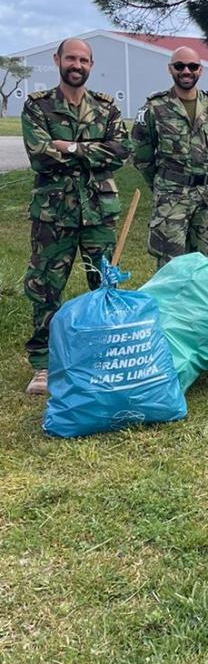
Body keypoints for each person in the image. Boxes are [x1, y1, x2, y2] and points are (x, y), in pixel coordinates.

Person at [22, 37, 132, 395]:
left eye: (84, 60)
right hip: (54, 214)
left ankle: (107, 353)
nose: (77, 65)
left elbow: (120, 151)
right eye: (71, 58)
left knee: (105, 286)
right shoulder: (38, 106)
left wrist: (69, 146)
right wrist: (94, 152)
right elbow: (40, 155)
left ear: (91, 65)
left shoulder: (105, 107)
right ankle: (43, 364)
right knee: (45, 287)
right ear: (57, 60)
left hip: (99, 213)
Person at [131, 45, 208, 267]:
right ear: (170, 69)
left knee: (205, 262)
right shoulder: (155, 107)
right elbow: (141, 154)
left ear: (200, 70)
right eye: (179, 66)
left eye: (192, 66)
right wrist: (161, 182)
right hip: (171, 197)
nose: (186, 71)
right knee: (171, 264)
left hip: (206, 198)